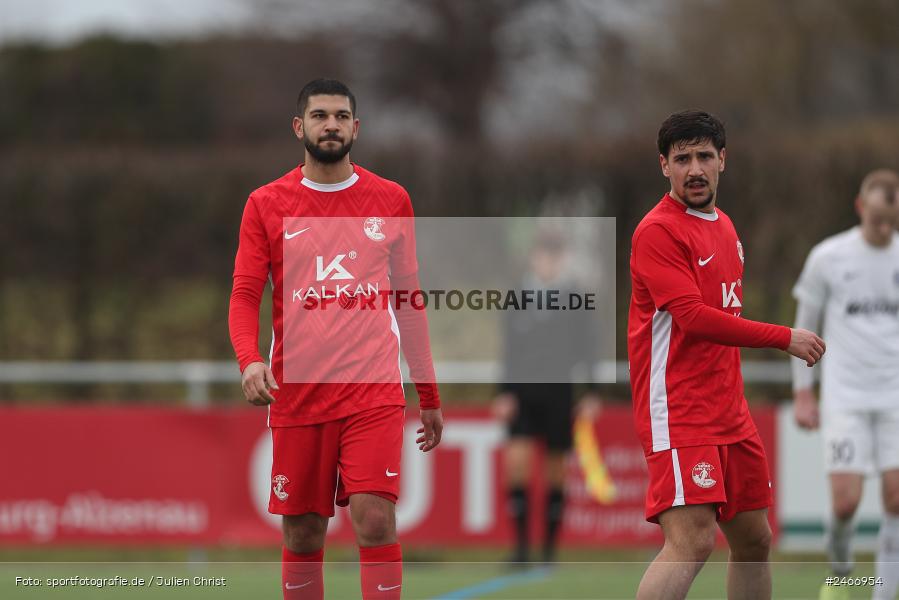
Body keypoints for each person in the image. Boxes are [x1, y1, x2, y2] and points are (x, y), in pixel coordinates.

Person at [228, 78, 443, 600]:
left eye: (341, 117)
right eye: (320, 116)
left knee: (375, 519)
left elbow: (409, 302)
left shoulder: (390, 199)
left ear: (356, 128)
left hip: (373, 390)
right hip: (300, 394)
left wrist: (429, 393)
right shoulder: (266, 203)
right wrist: (250, 360)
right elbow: (245, 294)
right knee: (303, 533)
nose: (331, 125)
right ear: (299, 127)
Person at [628, 109, 826, 600]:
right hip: (678, 410)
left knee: (755, 540)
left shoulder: (725, 226)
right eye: (682, 159)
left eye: (704, 156)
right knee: (692, 542)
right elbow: (694, 318)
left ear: (723, 160)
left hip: (729, 411)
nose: (694, 169)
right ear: (664, 166)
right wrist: (784, 337)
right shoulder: (658, 231)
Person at [790, 169, 899, 600]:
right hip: (845, 397)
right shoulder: (828, 257)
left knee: (896, 498)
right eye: (878, 220)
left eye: (892, 221)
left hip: (895, 396)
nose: (885, 229)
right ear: (860, 208)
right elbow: (804, 326)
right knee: (845, 502)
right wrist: (803, 392)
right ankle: (840, 566)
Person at [492, 231, 601, 564]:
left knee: (556, 470)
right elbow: (508, 350)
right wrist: (503, 393)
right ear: (534, 256)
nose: (548, 260)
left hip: (559, 394)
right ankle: (521, 548)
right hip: (523, 395)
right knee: (517, 465)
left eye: (555, 254)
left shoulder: (576, 298)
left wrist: (591, 392)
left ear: (562, 258)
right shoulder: (517, 296)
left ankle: (549, 552)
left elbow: (589, 348)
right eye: (543, 253)